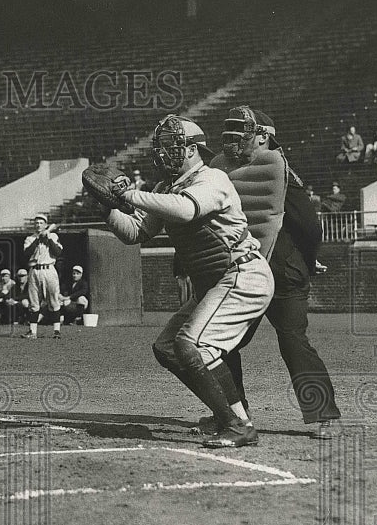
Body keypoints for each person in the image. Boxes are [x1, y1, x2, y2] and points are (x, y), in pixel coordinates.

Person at [90, 114, 274, 448]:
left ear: (192, 149)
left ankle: (237, 425)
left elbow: (187, 210)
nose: (161, 153)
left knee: (194, 346)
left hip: (242, 272)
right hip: (216, 280)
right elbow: (137, 232)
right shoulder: (166, 189)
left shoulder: (211, 178)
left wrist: (130, 195)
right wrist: (109, 210)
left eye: (170, 146)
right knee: (168, 348)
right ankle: (230, 417)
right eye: (160, 146)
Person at [211, 108, 341, 438]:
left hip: (267, 270)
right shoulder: (259, 170)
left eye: (243, 133)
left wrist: (307, 262)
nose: (234, 140)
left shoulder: (259, 172)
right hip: (273, 268)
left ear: (264, 137)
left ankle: (236, 413)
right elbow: (309, 225)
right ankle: (317, 416)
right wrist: (309, 260)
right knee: (281, 340)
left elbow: (308, 225)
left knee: (230, 344)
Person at [21, 214, 63, 339]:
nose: (38, 225)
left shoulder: (53, 236)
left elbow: (58, 252)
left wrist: (48, 237)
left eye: (41, 223)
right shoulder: (29, 238)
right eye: (37, 223)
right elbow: (27, 253)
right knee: (34, 302)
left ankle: (56, 331)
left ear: (45, 225)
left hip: (49, 269)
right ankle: (32, 332)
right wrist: (38, 238)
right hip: (34, 270)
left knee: (53, 300)